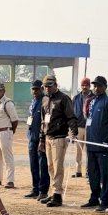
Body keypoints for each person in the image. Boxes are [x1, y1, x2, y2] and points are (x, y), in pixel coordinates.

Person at [38, 74, 78, 207]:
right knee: (50, 166)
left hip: (59, 138)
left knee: (58, 167)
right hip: (48, 138)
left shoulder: (64, 99)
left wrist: (73, 132)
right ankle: (53, 191)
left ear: (56, 85)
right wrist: (42, 139)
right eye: (45, 86)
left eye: (50, 86)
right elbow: (43, 121)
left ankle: (58, 195)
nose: (47, 88)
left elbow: (71, 117)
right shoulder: (44, 100)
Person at [81, 76, 108, 212]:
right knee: (93, 174)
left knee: (104, 174)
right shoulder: (92, 101)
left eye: (99, 86)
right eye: (94, 86)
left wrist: (106, 139)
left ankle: (105, 201)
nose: (96, 88)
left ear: (105, 87)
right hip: (90, 144)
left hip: (102, 145)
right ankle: (94, 197)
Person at [24, 80, 49, 200]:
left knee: (42, 165)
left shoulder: (45, 101)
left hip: (41, 138)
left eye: (37, 89)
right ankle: (35, 189)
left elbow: (45, 122)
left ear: (42, 89)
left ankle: (43, 191)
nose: (35, 91)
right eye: (33, 89)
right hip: (32, 137)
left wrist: (42, 139)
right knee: (33, 165)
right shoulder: (33, 102)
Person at [0, 82, 19, 188]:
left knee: (7, 157)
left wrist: (11, 131)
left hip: (5, 132)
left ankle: (10, 180)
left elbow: (15, 120)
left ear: (4, 91)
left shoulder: (8, 103)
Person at [71, 77, 91, 178]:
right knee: (78, 151)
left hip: (90, 128)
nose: (84, 87)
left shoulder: (93, 97)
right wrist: (72, 129)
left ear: (89, 86)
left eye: (86, 85)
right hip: (78, 128)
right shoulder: (76, 98)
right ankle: (78, 171)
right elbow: (72, 113)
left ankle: (88, 171)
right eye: (83, 85)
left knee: (89, 151)